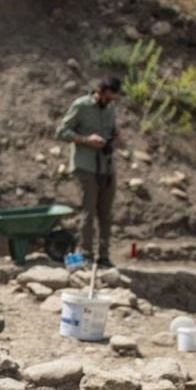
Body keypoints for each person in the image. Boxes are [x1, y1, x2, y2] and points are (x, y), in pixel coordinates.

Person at [55, 77, 122, 269]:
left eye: (112, 99)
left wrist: (115, 138)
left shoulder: (110, 108)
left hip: (107, 166)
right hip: (85, 165)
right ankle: (85, 255)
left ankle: (104, 256)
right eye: (107, 98)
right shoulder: (81, 106)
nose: (110, 102)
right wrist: (86, 140)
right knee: (88, 211)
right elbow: (61, 131)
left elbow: (113, 131)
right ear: (99, 92)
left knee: (106, 214)